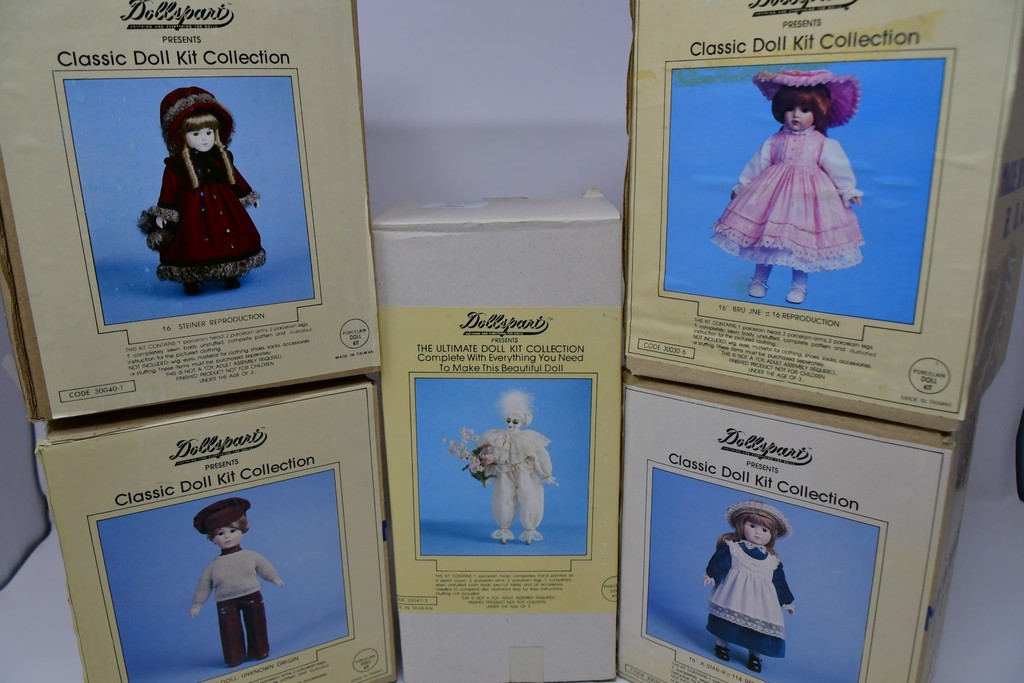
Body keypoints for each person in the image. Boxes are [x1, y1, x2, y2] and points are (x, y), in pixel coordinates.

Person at [711, 69, 864, 305]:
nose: (795, 115)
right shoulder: (774, 141)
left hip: (807, 200)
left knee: (801, 245)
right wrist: (743, 185)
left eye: (805, 110)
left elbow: (838, 168)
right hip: (771, 196)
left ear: (819, 112)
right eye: (790, 109)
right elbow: (758, 164)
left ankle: (799, 285)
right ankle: (759, 280)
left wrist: (848, 190)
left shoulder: (823, 143)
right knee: (764, 238)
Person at [138, 86, 266, 295]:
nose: (204, 139)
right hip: (192, 211)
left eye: (209, 132)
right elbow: (168, 190)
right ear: (181, 136)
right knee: (193, 241)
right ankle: (191, 278)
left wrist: (247, 195)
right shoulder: (176, 166)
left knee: (228, 234)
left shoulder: (221, 157)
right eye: (196, 134)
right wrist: (164, 213)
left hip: (224, 204)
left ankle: (229, 272)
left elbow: (235, 178)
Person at [703, 499, 795, 674]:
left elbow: (779, 582)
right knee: (727, 622)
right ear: (741, 525)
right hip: (734, 595)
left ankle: (754, 656)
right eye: (752, 526)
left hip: (760, 603)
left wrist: (787, 601)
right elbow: (720, 563)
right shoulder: (734, 549)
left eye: (764, 530)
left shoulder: (772, 561)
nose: (757, 532)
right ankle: (721, 645)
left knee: (757, 629)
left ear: (772, 534)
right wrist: (712, 576)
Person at [190, 497, 284, 668]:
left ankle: (260, 650)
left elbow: (264, 567)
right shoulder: (213, 566)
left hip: (251, 595)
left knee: (257, 624)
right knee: (229, 630)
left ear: (242, 530)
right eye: (220, 533)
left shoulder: (250, 556)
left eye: (232, 530)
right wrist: (197, 604)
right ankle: (234, 657)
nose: (227, 536)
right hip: (226, 601)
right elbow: (204, 585)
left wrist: (274, 578)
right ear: (213, 538)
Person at [476, 390, 557, 544]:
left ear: (521, 422)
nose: (510, 424)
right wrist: (484, 468)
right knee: (503, 497)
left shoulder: (528, 437)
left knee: (529, 497)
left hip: (525, 472)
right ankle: (504, 528)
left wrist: (547, 473)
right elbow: (488, 454)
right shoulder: (498, 436)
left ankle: (530, 529)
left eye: (514, 421)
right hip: (504, 472)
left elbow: (541, 454)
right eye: (508, 420)